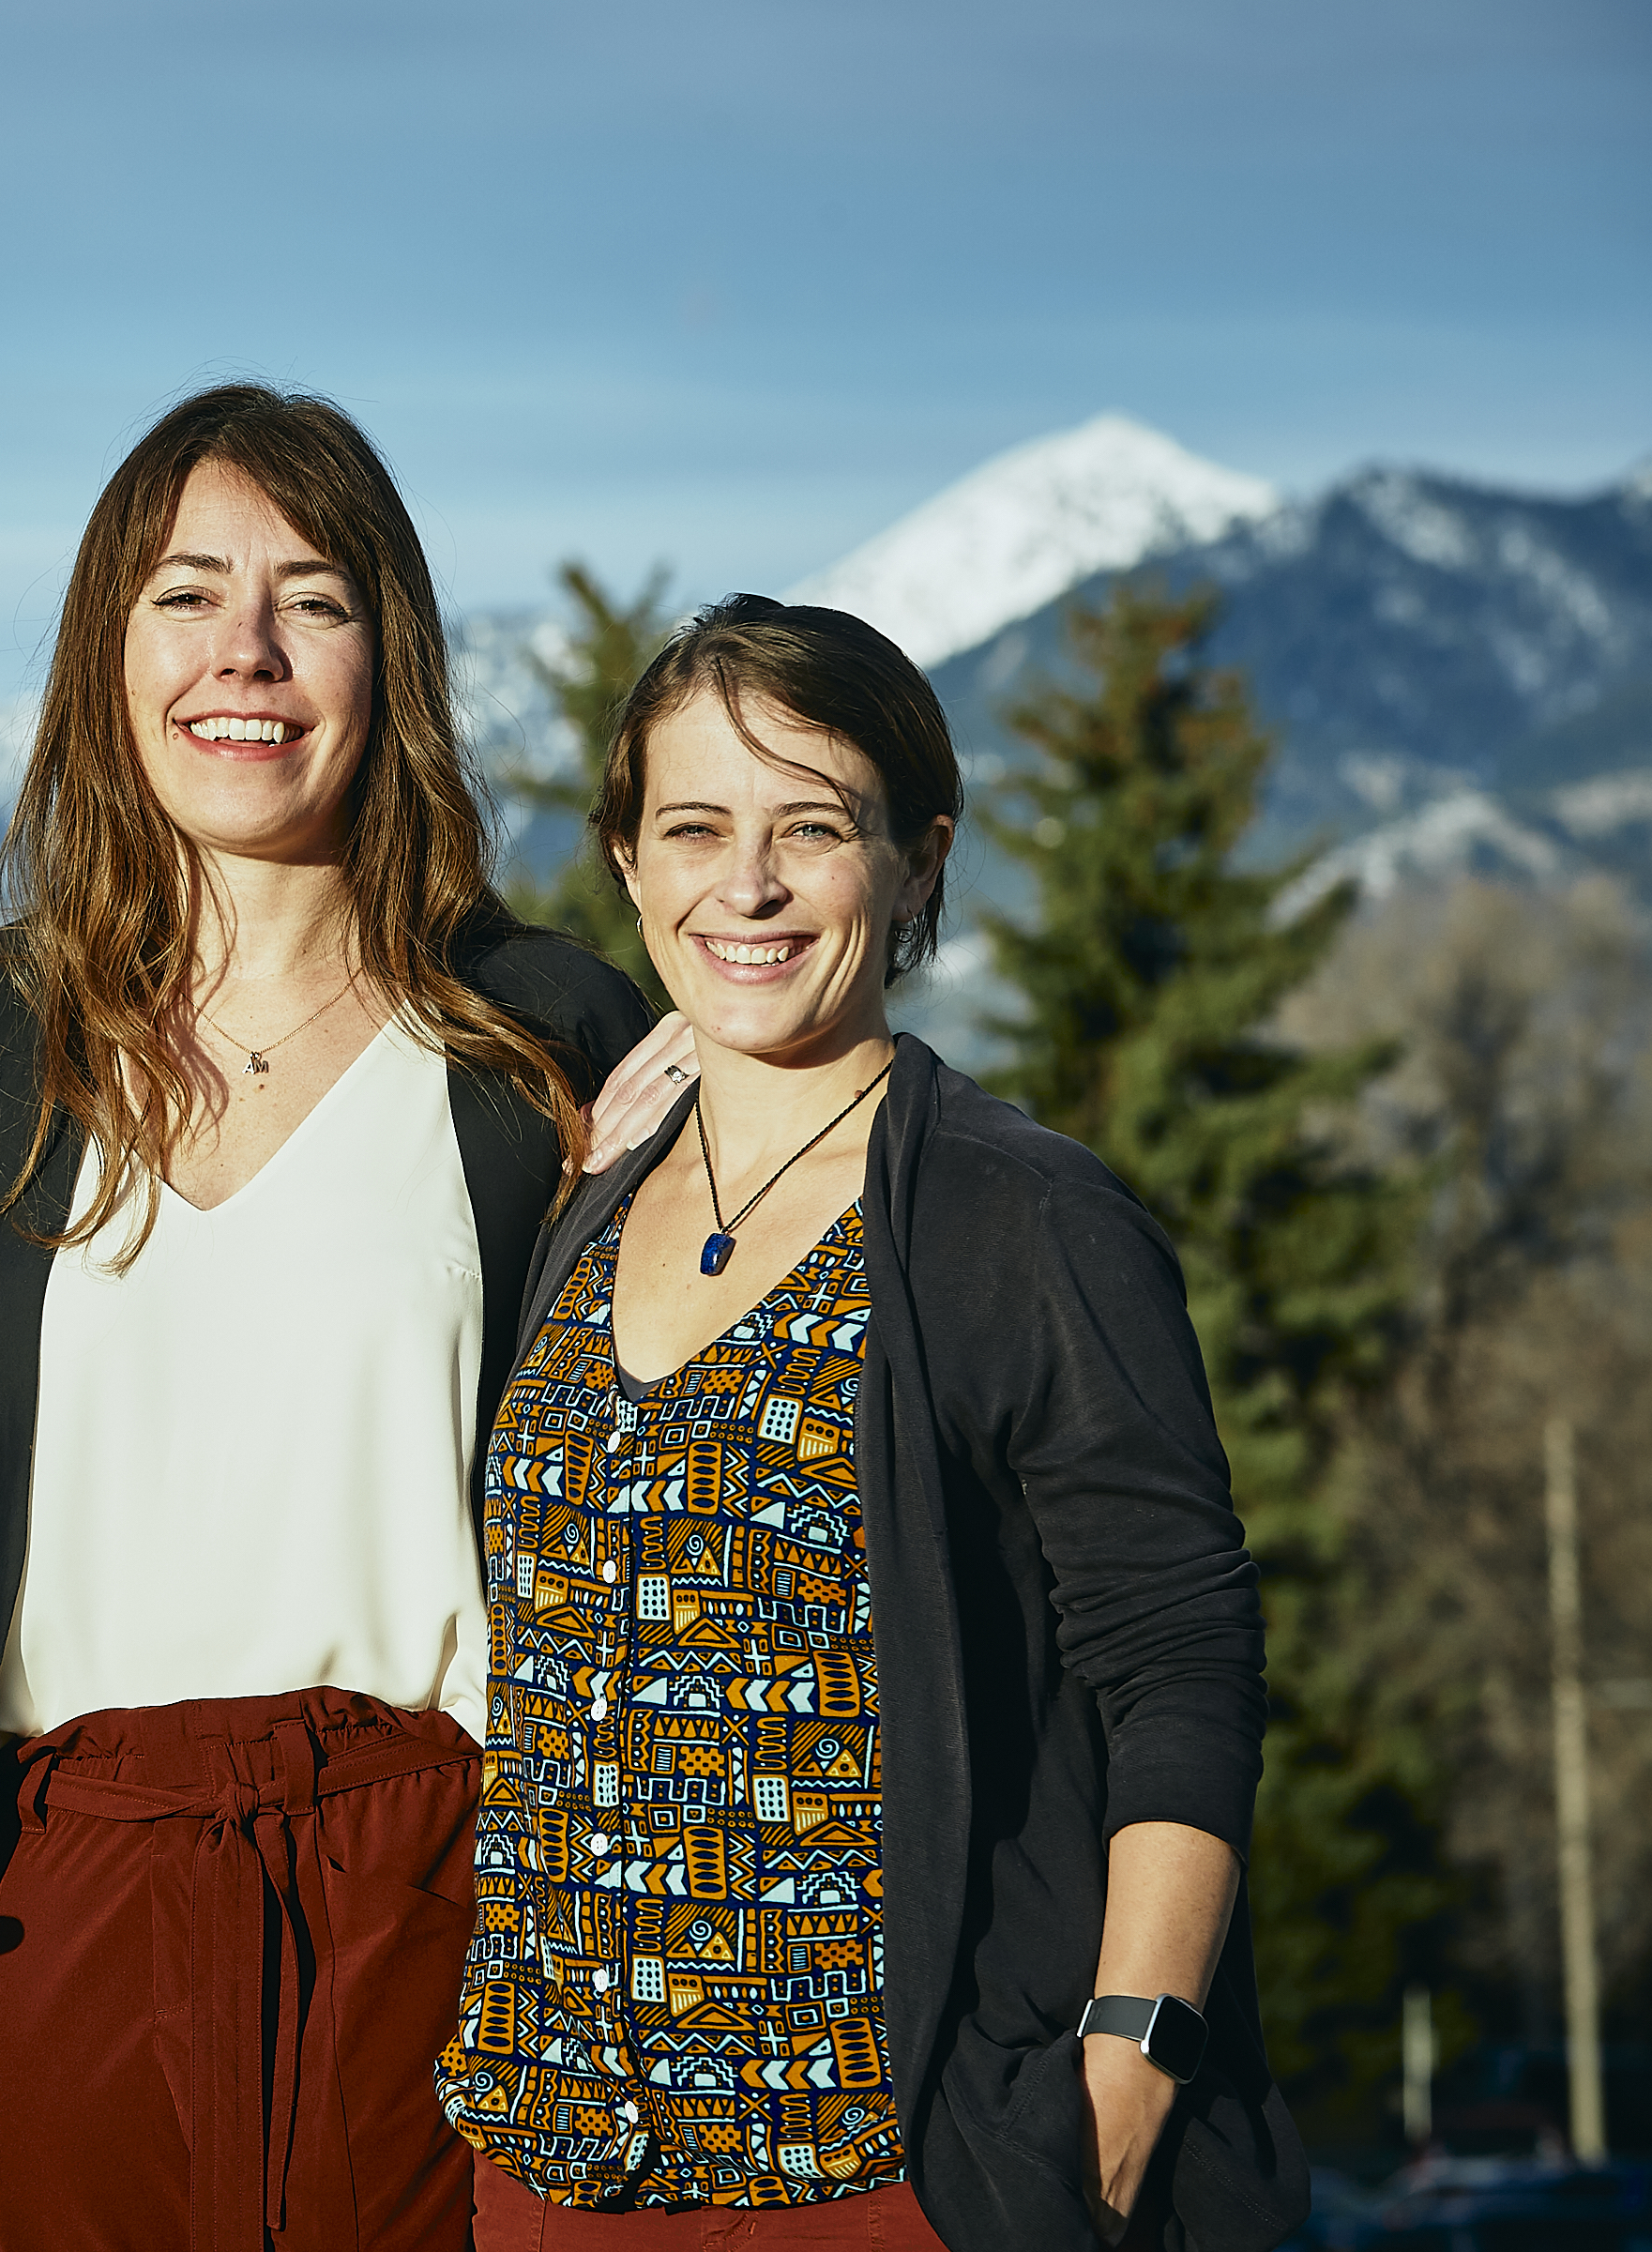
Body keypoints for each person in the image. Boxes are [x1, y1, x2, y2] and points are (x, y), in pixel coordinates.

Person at [0, 384, 657, 2251]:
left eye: (313, 598)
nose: (249, 654)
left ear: (390, 658)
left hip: (442, 1900)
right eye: (186, 596)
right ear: (104, 658)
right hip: (42, 1914)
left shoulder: (546, 1039)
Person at [440, 595, 1306, 2250]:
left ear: (917, 859)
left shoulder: (1020, 1219)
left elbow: (1179, 1660)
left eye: (812, 829)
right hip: (549, 2161)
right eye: (693, 826)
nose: (744, 886)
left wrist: (1123, 2085)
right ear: (626, 858)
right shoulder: (585, 1212)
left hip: (882, 2173)